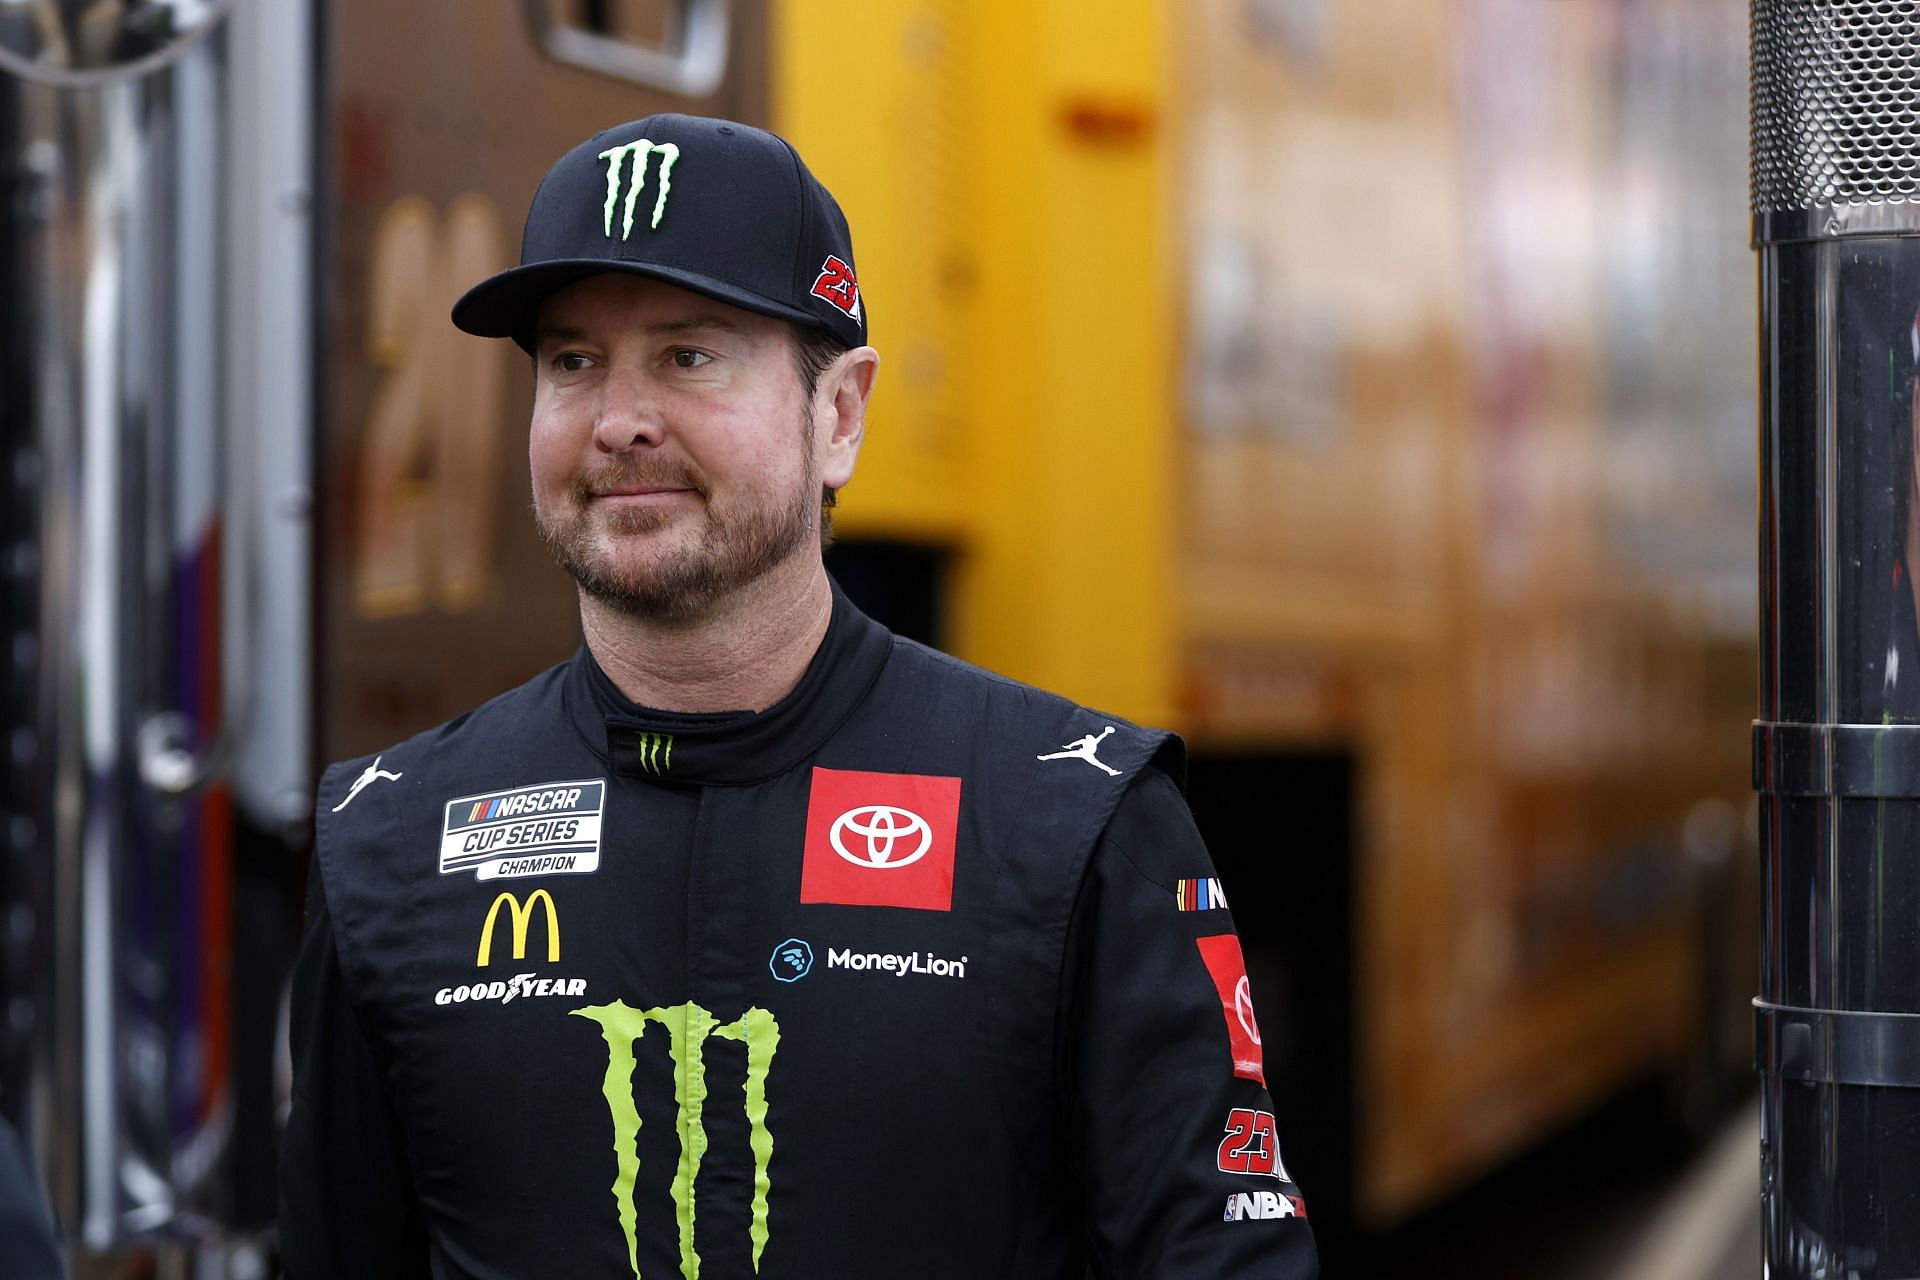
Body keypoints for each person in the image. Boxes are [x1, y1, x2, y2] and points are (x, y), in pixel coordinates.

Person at [279, 113, 1318, 1279]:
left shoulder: (1074, 819)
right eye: (572, 361)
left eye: (689, 354)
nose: (620, 418)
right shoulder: (388, 837)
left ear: (841, 415)